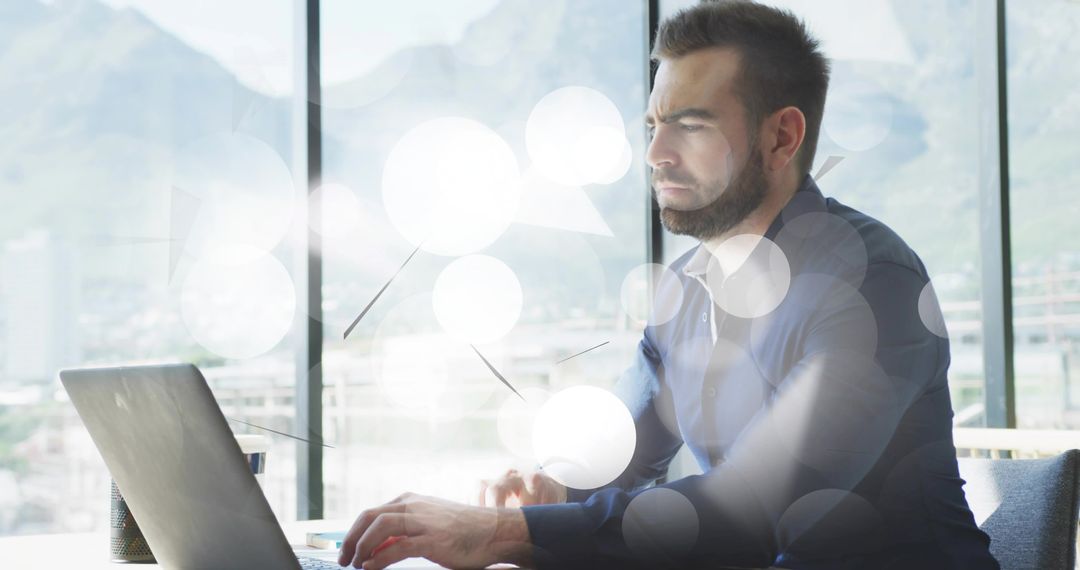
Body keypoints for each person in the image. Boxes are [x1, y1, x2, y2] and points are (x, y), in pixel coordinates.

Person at [338, 1, 1000, 568]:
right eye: (654, 126)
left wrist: (500, 533)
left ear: (782, 136)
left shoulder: (871, 287)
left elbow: (754, 512)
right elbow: (620, 464)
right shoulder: (684, 295)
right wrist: (546, 494)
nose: (655, 155)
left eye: (691, 124)